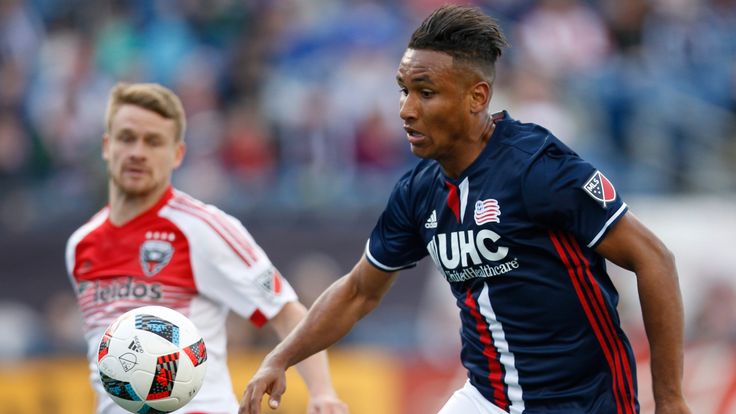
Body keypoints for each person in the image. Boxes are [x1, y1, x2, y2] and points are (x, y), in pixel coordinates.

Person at [241, 5, 691, 414]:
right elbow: (360, 290)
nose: (406, 110)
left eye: (425, 92)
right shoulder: (419, 190)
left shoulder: (540, 168)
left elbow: (654, 258)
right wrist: (279, 358)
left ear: (477, 97)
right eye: (403, 90)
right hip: (486, 398)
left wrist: (670, 399)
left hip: (582, 401)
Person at [65, 82, 348, 414]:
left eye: (153, 141)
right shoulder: (82, 244)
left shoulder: (202, 229)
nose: (138, 152)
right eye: (127, 138)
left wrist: (322, 392)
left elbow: (287, 312)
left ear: (177, 154)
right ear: (106, 146)